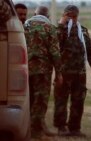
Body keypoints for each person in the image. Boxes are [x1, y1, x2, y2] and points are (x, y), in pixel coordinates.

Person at [53, 4, 91, 137]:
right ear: (64, 15)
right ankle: (61, 127)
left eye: (74, 16)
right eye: (69, 16)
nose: (71, 19)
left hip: (79, 73)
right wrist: (62, 25)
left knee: (78, 100)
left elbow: (89, 50)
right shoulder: (58, 29)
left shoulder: (82, 30)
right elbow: (55, 45)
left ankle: (75, 127)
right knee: (61, 100)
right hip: (64, 72)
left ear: (77, 16)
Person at [24, 5, 63, 139]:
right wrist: (59, 73)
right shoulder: (49, 28)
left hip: (24, 70)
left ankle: (30, 128)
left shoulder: (25, 26)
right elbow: (55, 52)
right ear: (47, 17)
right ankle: (36, 131)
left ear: (34, 13)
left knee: (28, 100)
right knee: (40, 101)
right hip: (42, 71)